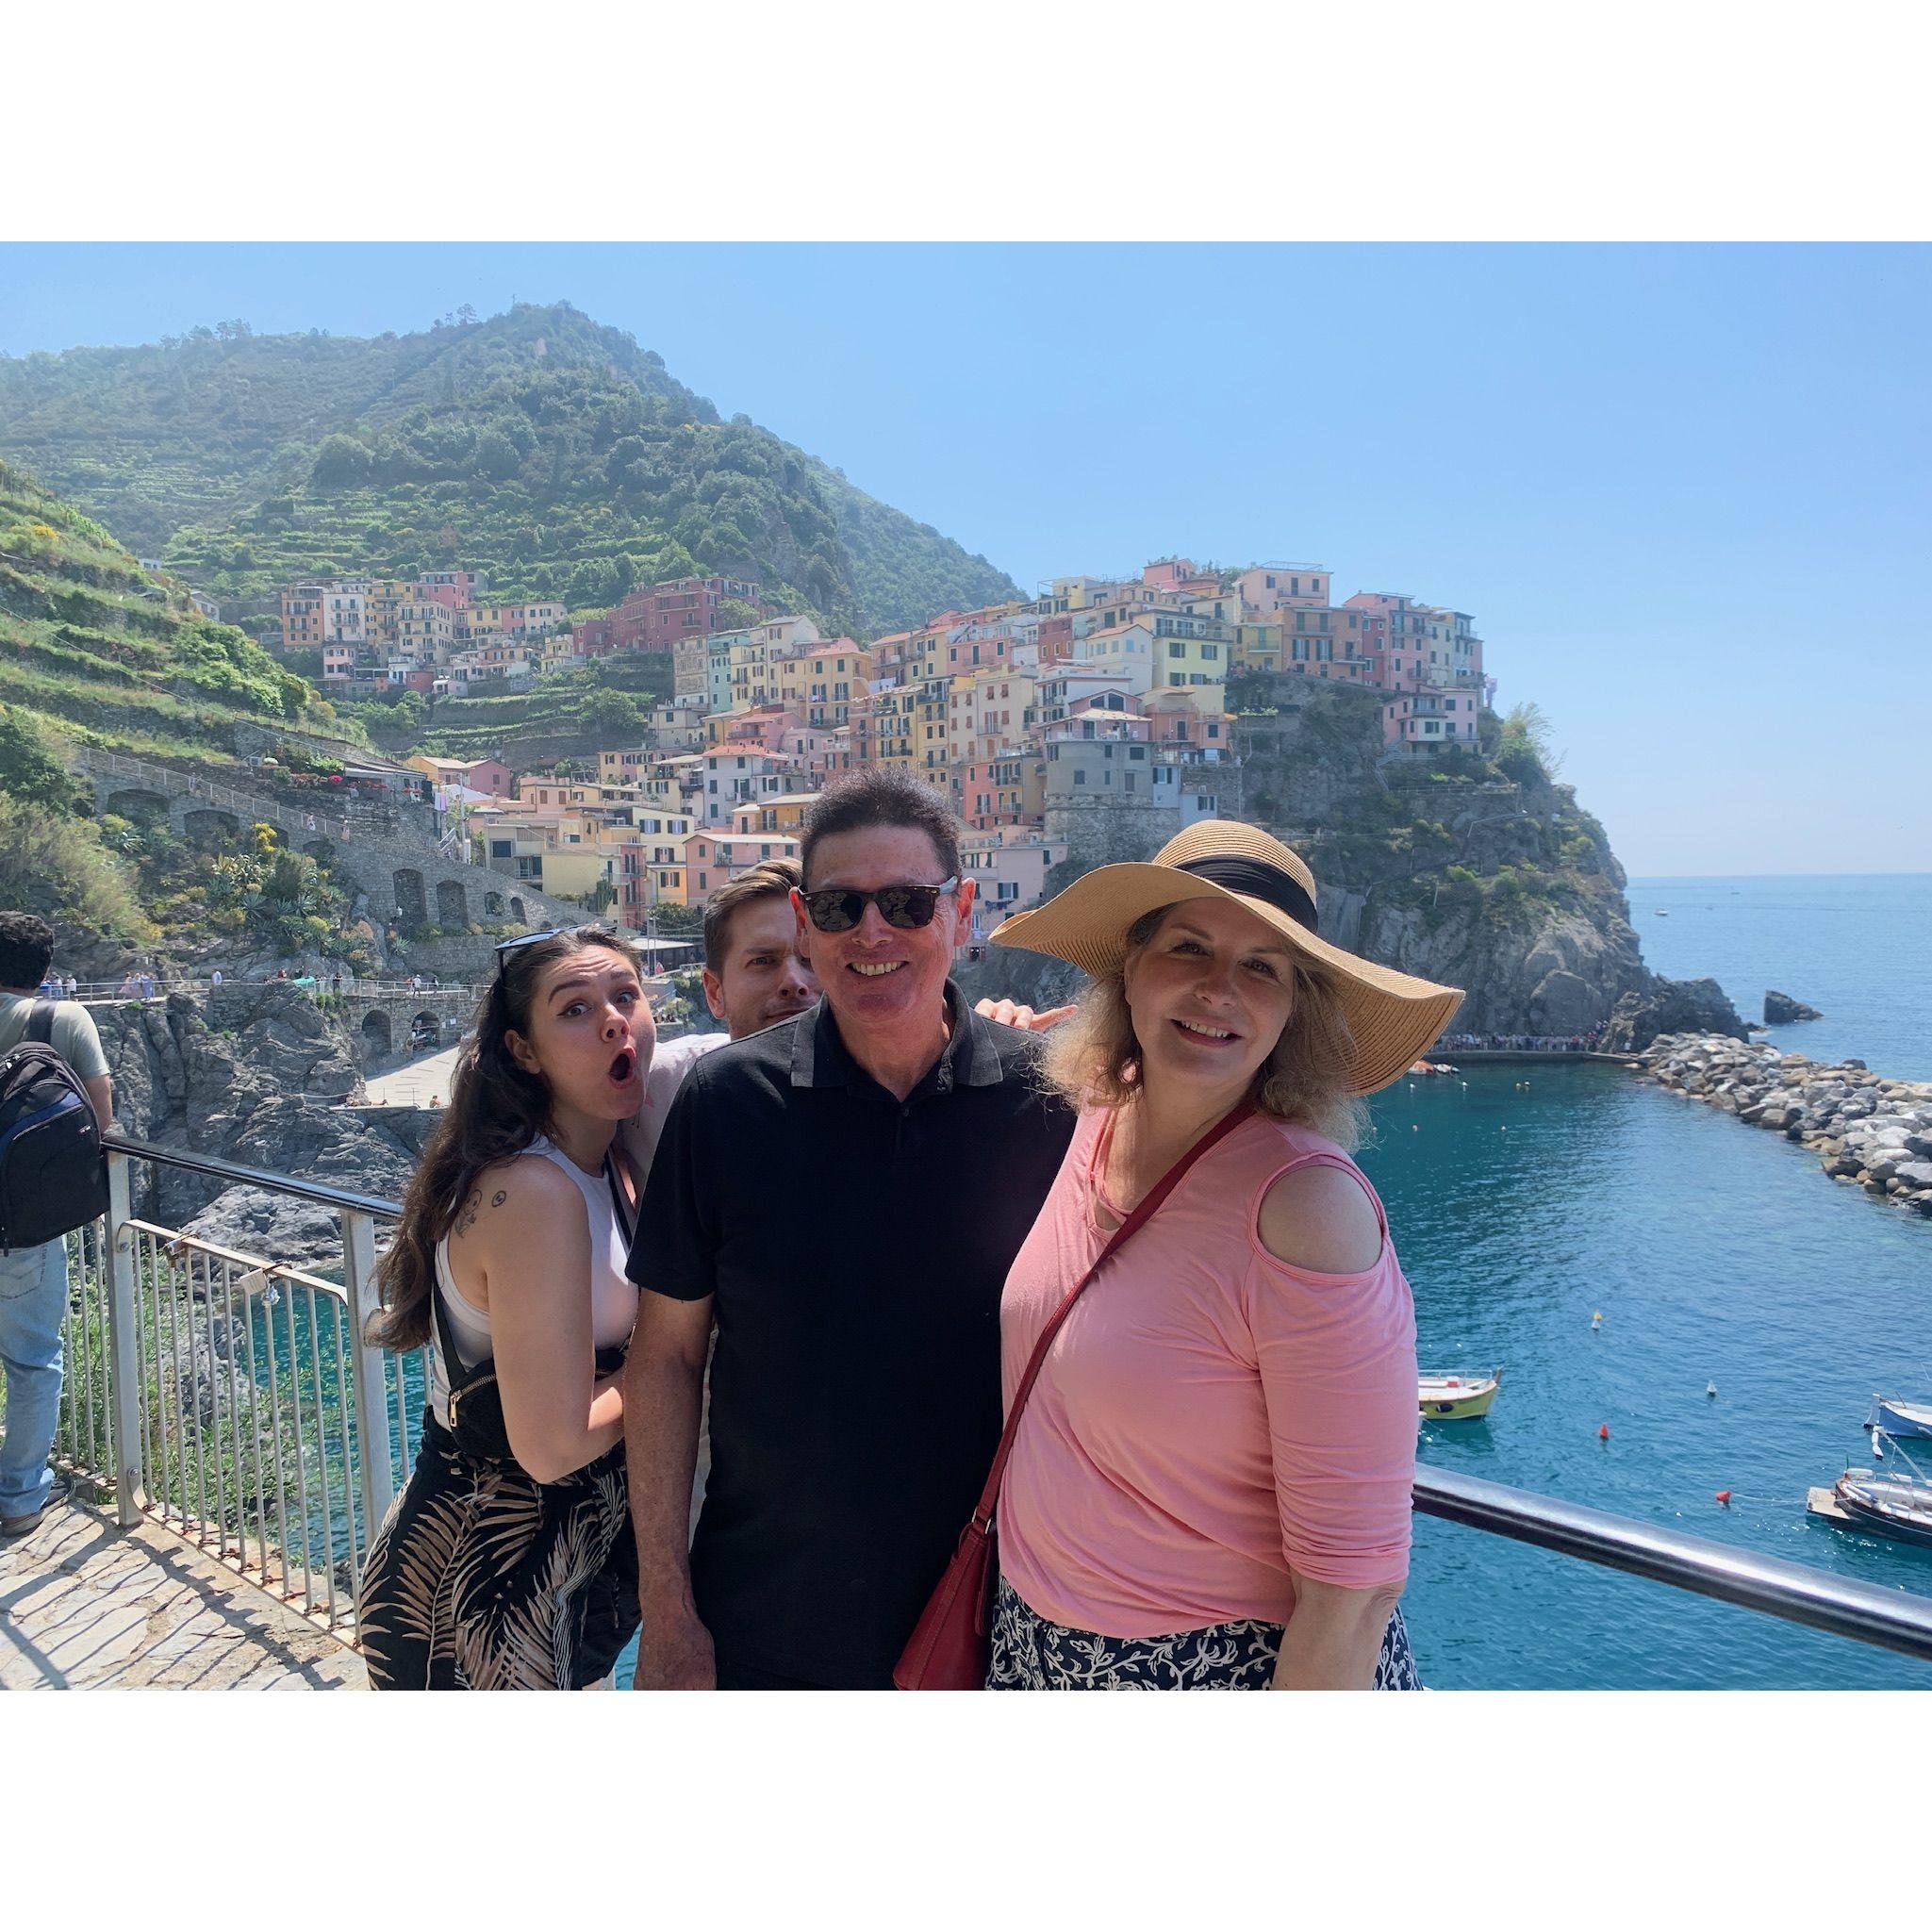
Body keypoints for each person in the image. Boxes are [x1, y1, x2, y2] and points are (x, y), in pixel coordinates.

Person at [983, 821, 1462, 1690]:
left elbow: (1354, 1592)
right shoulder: (1090, 1117)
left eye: (1262, 967)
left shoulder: (1306, 1210)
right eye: (1188, 947)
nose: (1218, 989)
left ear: (1291, 1009)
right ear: (1130, 969)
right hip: (1032, 1644)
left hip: (1219, 1671)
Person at [623, 770, 1077, 1689]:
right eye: (840, 907)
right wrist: (666, 1608)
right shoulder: (724, 1104)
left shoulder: (1053, 1104)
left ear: (962, 912)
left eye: (907, 902)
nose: (873, 931)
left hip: (1000, 1624)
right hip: (766, 1623)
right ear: (805, 921)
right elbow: (664, 1358)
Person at [358, 924, 652, 1690]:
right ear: (524, 1050)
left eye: (626, 994)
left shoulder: (608, 1165)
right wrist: (673, 1361)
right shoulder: (533, 1192)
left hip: (550, 1576)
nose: (613, 1019)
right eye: (575, 1008)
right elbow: (552, 1445)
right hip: (475, 1589)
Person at [0, 914, 114, 1538]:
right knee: (33, 1362)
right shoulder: (59, 1019)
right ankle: (19, 1497)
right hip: (22, 1225)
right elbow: (100, 1116)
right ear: (44, 968)